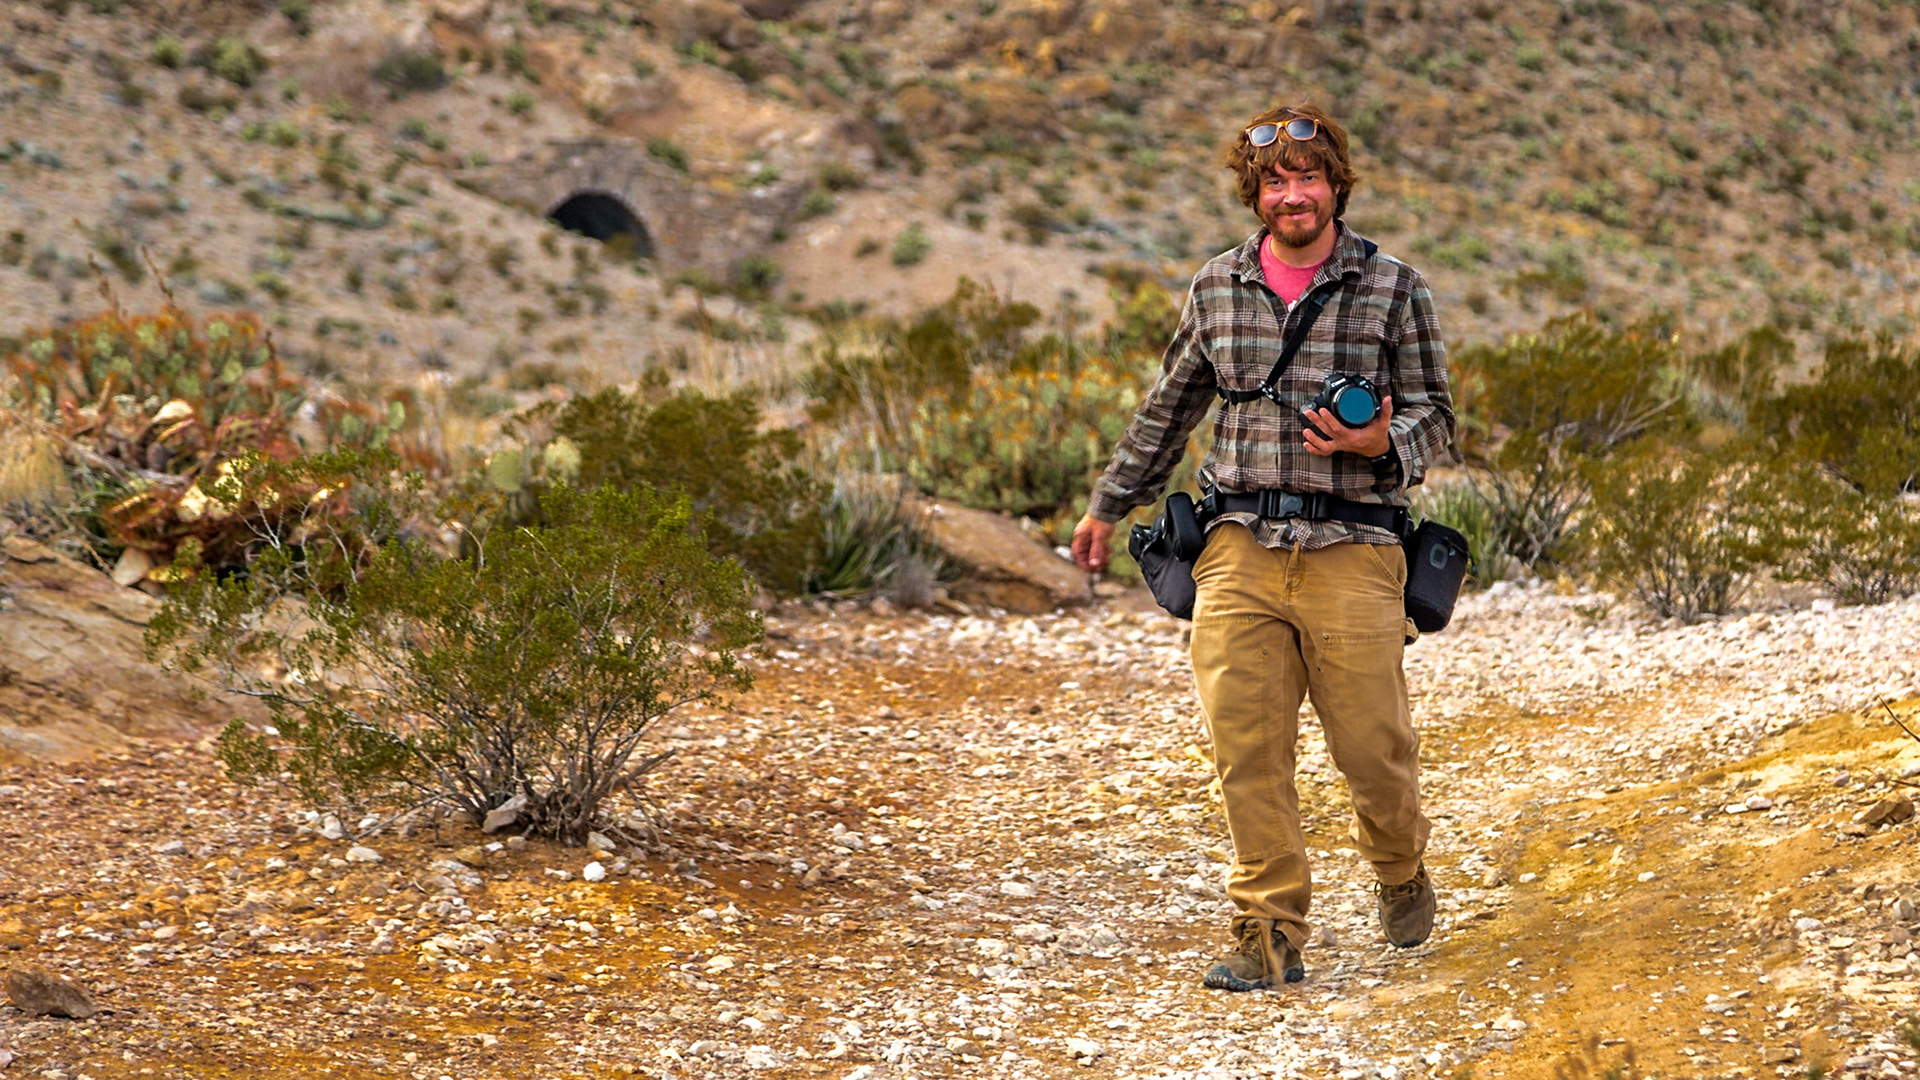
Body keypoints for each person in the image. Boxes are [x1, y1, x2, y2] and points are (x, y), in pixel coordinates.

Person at [1069, 103, 1455, 991]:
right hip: (1238, 540)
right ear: (1256, 193)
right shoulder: (1216, 286)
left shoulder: (1394, 287)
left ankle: (1398, 865)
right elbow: (1170, 409)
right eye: (1276, 181)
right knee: (1247, 748)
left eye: (1308, 178)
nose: (1293, 195)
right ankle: (1268, 930)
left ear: (1335, 186)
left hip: (1355, 543)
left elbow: (1440, 416)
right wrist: (1106, 503)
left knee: (1373, 749)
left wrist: (1380, 446)